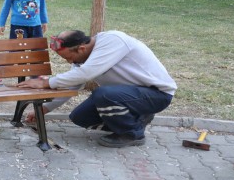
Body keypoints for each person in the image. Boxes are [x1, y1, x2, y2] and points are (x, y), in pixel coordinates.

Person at [19, 30, 177, 148]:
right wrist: (45, 109)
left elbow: (85, 74)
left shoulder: (113, 40)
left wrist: (46, 82)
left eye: (68, 57)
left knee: (102, 94)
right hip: (129, 96)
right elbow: (74, 82)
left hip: (157, 95)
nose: (69, 62)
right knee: (79, 118)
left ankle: (132, 134)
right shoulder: (83, 57)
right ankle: (135, 121)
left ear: (81, 48)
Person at [0, 0, 48, 86]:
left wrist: (44, 20)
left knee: (37, 51)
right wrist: (1, 24)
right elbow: (6, 7)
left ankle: (36, 75)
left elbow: (42, 4)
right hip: (18, 27)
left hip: (35, 26)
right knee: (15, 52)